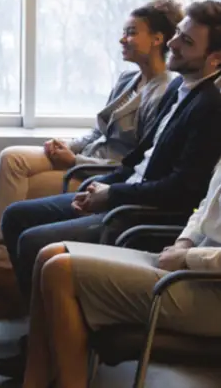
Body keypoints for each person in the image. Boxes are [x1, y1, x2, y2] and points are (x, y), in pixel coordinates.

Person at [0, 0, 221, 378]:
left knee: (35, 241)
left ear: (215, 59)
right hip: (125, 194)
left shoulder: (211, 106)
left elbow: (181, 191)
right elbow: (139, 158)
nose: (174, 45)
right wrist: (104, 184)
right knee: (16, 216)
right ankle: (45, 340)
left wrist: (112, 196)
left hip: (139, 215)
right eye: (178, 35)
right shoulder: (185, 88)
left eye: (187, 41)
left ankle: (51, 346)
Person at [0, 0, 180, 320]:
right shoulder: (128, 80)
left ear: (158, 39)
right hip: (86, 159)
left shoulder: (165, 90)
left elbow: (138, 160)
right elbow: (98, 132)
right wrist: (68, 147)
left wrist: (74, 162)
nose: (122, 39)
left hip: (100, 172)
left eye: (132, 32)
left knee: (9, 163)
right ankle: (5, 277)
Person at [21, 155, 221, 388]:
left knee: (60, 271)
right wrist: (184, 243)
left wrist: (188, 257)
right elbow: (205, 208)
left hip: (208, 285)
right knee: (49, 255)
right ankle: (33, 382)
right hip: (191, 268)